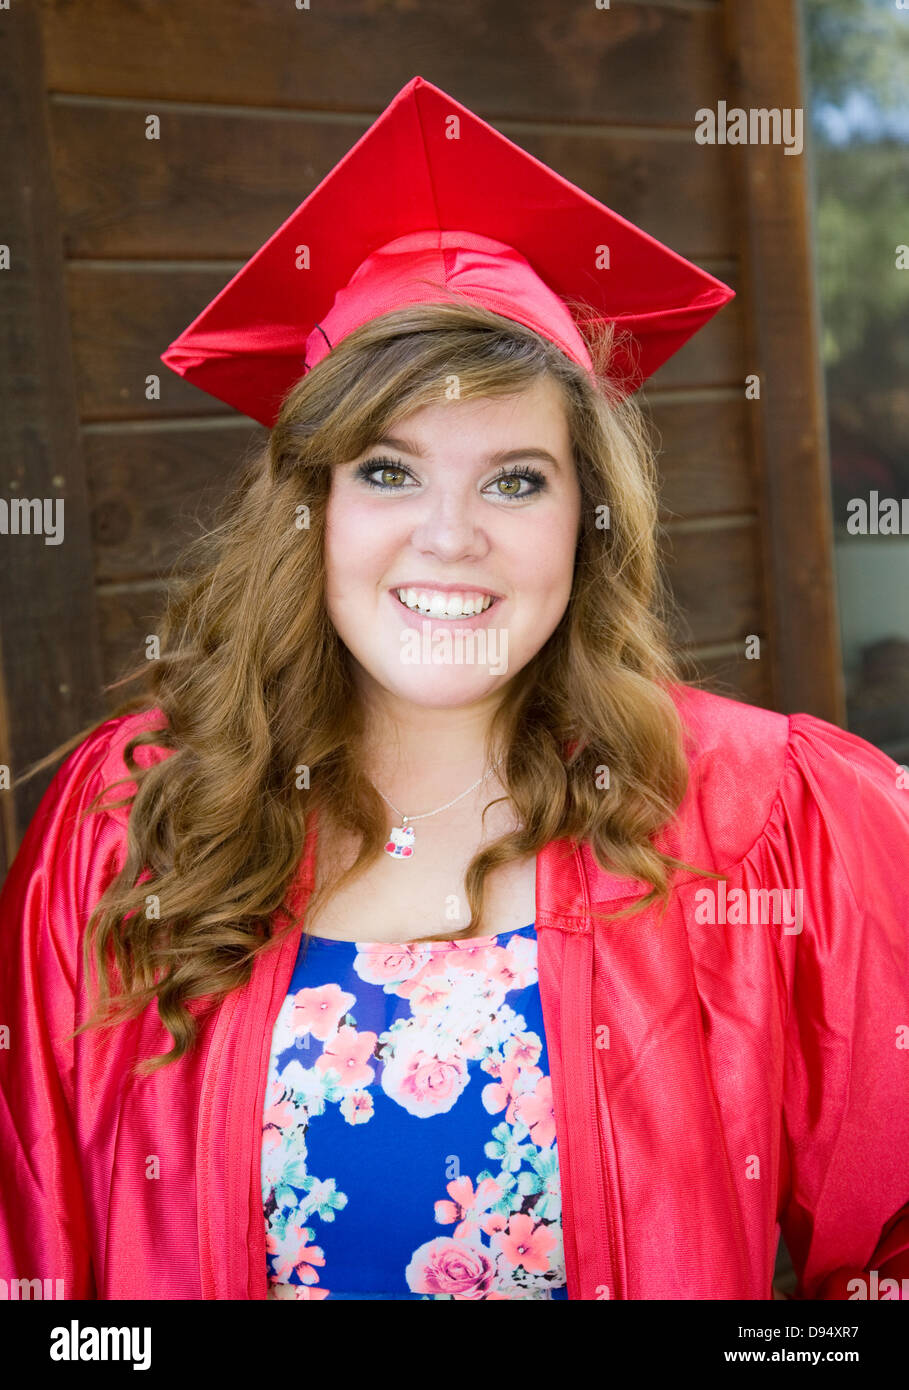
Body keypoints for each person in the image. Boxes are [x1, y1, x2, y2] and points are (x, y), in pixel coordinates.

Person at [0, 76, 906, 1302]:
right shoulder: (129, 826)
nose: (449, 537)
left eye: (516, 480)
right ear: (312, 507)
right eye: (387, 469)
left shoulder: (760, 816)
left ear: (586, 519)